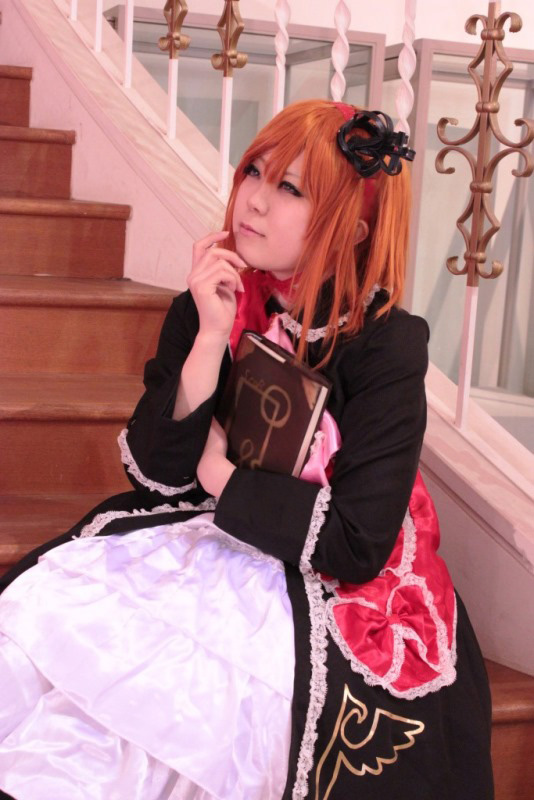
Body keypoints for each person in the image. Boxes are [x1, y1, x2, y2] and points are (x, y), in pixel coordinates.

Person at [0, 100, 493, 800]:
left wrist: (220, 476)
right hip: (220, 534)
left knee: (184, 703)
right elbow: (156, 478)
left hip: (321, 570)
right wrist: (210, 335)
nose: (254, 200)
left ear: (350, 229)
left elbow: (356, 543)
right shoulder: (215, 297)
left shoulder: (386, 343)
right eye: (253, 172)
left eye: (290, 188)